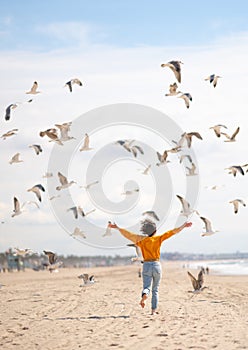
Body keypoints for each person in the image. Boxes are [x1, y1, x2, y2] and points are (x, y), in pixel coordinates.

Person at [109, 220, 192, 315]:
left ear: (145, 231)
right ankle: (153, 311)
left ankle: (145, 295)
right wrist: (183, 225)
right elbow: (172, 232)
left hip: (146, 265)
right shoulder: (158, 238)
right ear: (155, 231)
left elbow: (128, 234)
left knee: (146, 287)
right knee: (155, 289)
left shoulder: (140, 240)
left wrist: (118, 227)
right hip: (156, 265)